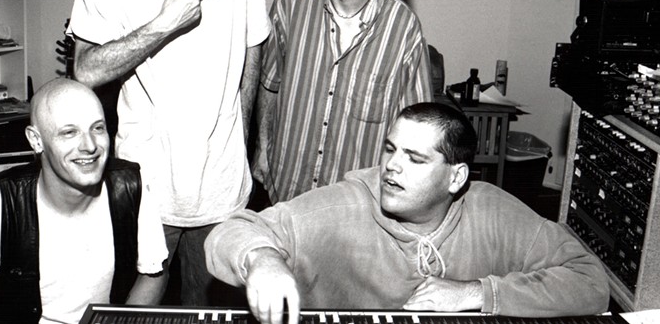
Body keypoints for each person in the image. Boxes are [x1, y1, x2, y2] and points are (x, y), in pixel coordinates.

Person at [206, 102, 610, 324]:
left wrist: (476, 293)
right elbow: (233, 231)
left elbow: (591, 283)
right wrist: (263, 260)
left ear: (456, 178)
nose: (391, 167)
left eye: (414, 158)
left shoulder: (493, 210)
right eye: (390, 149)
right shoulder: (341, 206)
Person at [66, 0, 270, 305]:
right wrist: (162, 25)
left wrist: (247, 134)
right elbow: (84, 70)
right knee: (134, 309)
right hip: (146, 185)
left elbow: (254, 46)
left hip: (222, 185)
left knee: (210, 310)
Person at [0, 78, 168, 324]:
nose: (89, 145)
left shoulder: (131, 186)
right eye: (69, 132)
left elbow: (154, 271)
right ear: (36, 140)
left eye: (97, 128)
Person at [254, 0, 434, 204]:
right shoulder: (290, 3)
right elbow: (269, 85)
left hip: (354, 205)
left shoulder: (403, 28)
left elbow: (416, 126)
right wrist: (262, 149)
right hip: (285, 190)